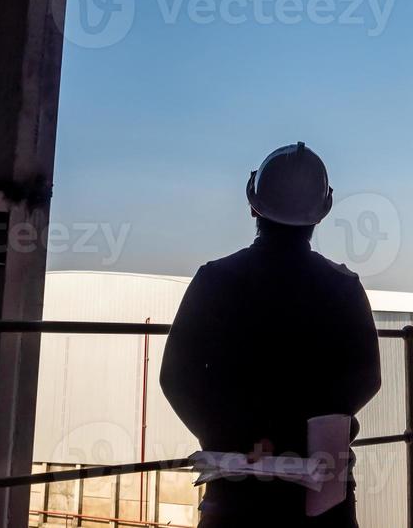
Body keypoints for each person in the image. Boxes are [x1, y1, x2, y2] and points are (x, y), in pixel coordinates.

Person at [161, 143, 383, 527]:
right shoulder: (344, 287)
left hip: (236, 485)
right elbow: (367, 379)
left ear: (253, 206)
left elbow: (176, 378)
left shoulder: (214, 280)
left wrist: (234, 438)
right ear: (322, 212)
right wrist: (306, 431)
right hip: (321, 487)